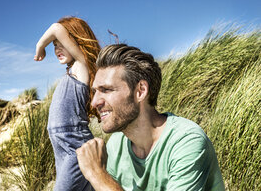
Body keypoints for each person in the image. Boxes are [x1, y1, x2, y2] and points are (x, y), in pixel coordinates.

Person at [76, 44, 225, 191]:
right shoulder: (116, 145)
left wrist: (97, 175)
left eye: (106, 90)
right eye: (95, 91)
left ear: (140, 91)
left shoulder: (186, 141)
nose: (95, 102)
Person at [34, 16, 100, 191]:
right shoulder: (71, 72)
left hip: (76, 147)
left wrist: (41, 46)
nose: (57, 49)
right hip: (62, 149)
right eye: (54, 45)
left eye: (60, 43)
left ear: (76, 40)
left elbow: (56, 28)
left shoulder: (81, 66)